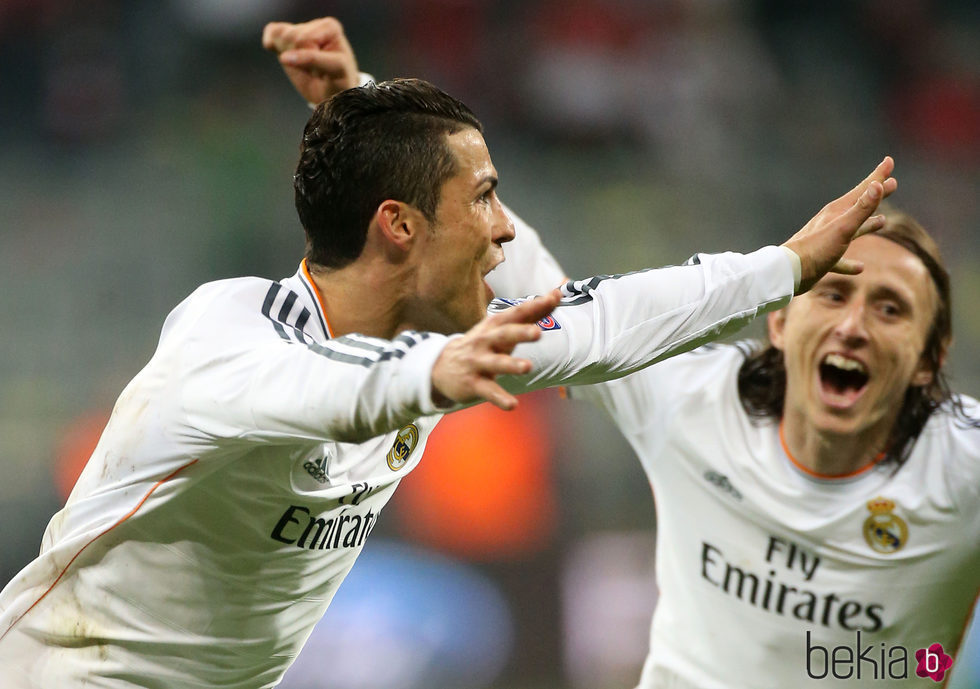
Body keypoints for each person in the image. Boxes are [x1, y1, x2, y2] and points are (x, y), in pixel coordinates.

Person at [0, 24, 896, 689]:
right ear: (399, 226)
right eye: (486, 198)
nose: (506, 229)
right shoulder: (224, 334)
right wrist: (427, 377)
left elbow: (608, 319)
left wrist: (783, 268)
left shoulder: (441, 340)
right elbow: (313, 392)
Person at [265, 17, 980, 689]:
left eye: (891, 309)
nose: (854, 325)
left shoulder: (963, 468)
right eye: (831, 293)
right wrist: (365, 117)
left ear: (927, 357)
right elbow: (540, 284)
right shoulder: (694, 397)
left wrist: (912, 660)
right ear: (778, 323)